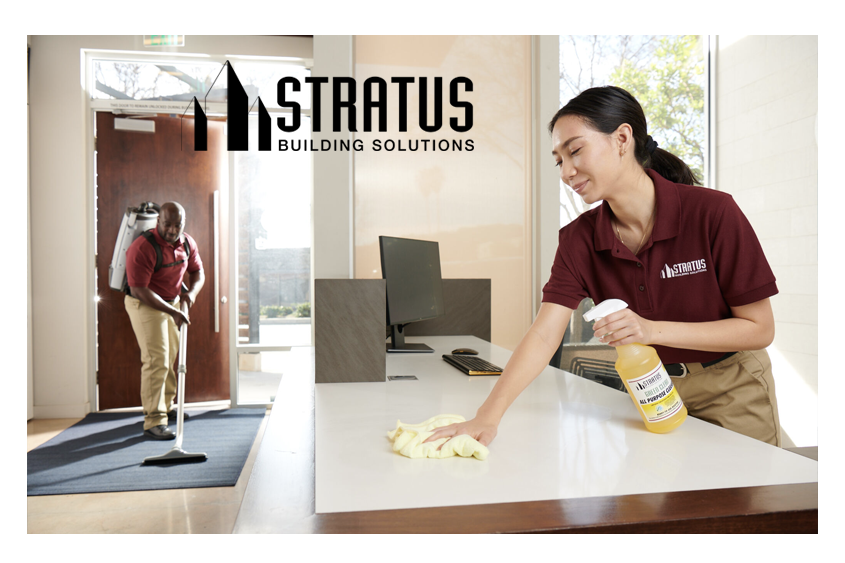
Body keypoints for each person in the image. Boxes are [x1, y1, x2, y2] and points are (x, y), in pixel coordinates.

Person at [426, 85, 781, 448]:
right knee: (660, 501)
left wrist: (650, 331)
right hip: (649, 392)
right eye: (559, 160)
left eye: (575, 150)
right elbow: (544, 335)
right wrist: (488, 416)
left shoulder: (713, 213)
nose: (566, 171)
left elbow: (759, 329)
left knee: (748, 498)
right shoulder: (578, 240)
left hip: (731, 385)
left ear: (622, 138)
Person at [124, 201, 205, 439]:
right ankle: (153, 420)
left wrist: (190, 294)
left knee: (169, 356)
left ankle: (166, 408)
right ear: (158, 221)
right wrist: (173, 312)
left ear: (183, 223)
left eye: (177, 225)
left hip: (171, 303)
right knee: (156, 358)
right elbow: (139, 290)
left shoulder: (187, 243)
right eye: (167, 224)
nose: (172, 230)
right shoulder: (143, 248)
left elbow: (198, 272)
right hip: (144, 303)